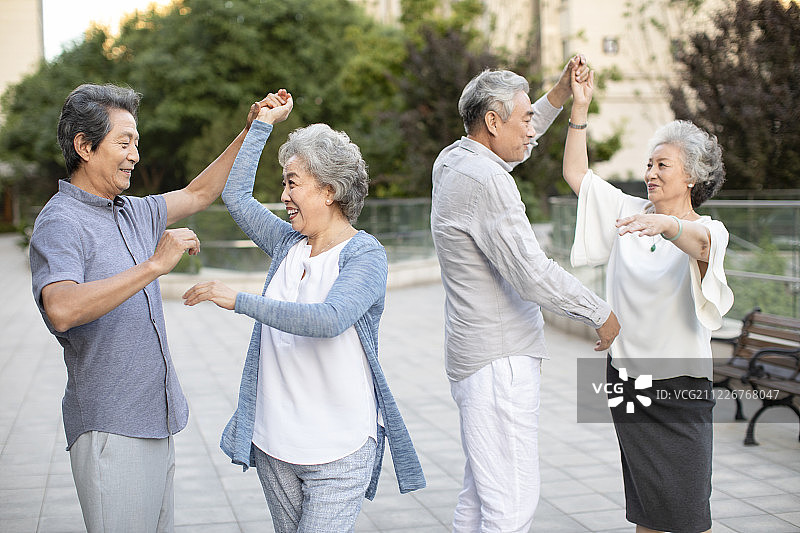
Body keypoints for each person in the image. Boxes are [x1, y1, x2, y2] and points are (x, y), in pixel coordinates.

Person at [29, 83, 271, 532]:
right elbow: (60, 307)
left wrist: (250, 128)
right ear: (84, 146)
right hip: (110, 427)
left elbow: (199, 194)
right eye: (124, 142)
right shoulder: (61, 221)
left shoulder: (132, 211)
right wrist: (155, 265)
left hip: (156, 419)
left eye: (136, 143)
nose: (134, 155)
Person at [182, 90, 425, 532]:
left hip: (340, 448)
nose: (284, 195)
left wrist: (239, 301)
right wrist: (261, 125)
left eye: (292, 182)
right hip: (276, 443)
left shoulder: (364, 254)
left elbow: (329, 320)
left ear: (329, 190)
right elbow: (236, 196)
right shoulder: (287, 244)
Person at [430, 59, 621, 532]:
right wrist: (599, 312)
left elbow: (517, 142)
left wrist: (556, 96)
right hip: (500, 362)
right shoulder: (490, 182)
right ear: (492, 122)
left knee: (479, 497)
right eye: (525, 119)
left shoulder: (454, 159)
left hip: (475, 359)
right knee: (511, 504)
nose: (532, 130)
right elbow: (532, 274)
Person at [563, 68, 733, 533]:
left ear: (692, 177)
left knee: (688, 513)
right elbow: (577, 174)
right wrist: (580, 108)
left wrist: (668, 226)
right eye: (649, 163)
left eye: (663, 165)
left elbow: (700, 245)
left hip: (681, 388)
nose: (650, 173)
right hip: (628, 383)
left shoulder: (709, 231)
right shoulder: (628, 212)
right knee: (647, 507)